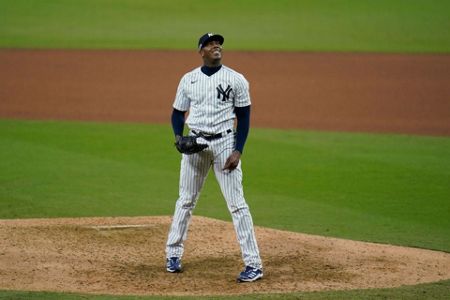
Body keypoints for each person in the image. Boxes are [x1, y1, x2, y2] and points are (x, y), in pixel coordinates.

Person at [165, 33, 263, 282]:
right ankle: (172, 254)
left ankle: (254, 264)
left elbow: (245, 117)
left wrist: (238, 150)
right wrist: (179, 138)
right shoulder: (189, 79)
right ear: (201, 51)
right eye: (210, 44)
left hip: (224, 143)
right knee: (185, 200)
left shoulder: (236, 79)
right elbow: (177, 113)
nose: (216, 46)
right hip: (195, 142)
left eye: (218, 43)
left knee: (237, 204)